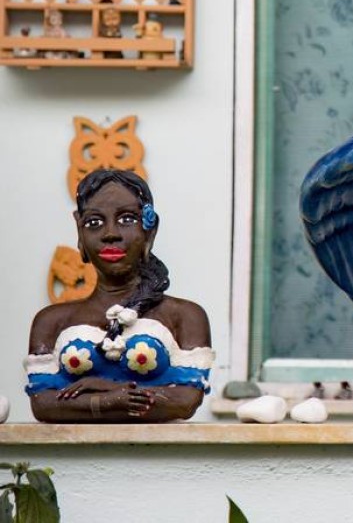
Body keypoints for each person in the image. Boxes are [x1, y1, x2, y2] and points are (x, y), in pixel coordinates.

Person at [25, 169, 213, 422]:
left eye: (127, 219)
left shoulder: (184, 317)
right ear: (79, 233)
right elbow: (43, 404)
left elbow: (184, 401)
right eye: (94, 223)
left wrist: (107, 391)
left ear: (150, 231)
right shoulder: (52, 322)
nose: (110, 233)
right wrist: (113, 400)